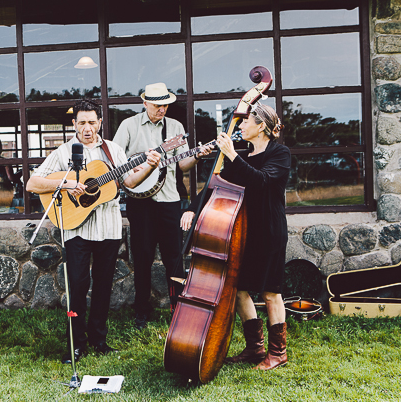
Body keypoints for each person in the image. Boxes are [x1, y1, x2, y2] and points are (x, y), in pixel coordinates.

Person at [26, 99, 162, 364]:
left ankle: (99, 340)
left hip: (108, 227)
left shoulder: (113, 150)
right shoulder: (64, 151)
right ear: (74, 124)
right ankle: (76, 345)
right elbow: (33, 182)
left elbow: (130, 180)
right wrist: (66, 185)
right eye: (82, 122)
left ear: (100, 122)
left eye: (92, 122)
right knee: (77, 285)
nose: (87, 128)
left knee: (102, 286)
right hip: (76, 227)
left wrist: (150, 165)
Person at [180, 103, 291, 371]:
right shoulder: (243, 156)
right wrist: (192, 210)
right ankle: (255, 348)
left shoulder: (280, 153)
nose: (240, 127)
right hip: (244, 232)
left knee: (270, 292)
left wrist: (231, 154)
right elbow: (214, 186)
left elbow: (261, 181)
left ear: (261, 126)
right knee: (239, 289)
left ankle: (278, 353)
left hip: (270, 231)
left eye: (245, 122)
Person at [112, 82, 210, 329]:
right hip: (140, 203)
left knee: (174, 258)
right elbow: (115, 160)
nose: (162, 109)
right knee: (142, 258)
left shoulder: (175, 128)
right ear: (145, 103)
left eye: (165, 105)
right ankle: (141, 312)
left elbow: (183, 165)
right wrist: (139, 167)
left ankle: (178, 308)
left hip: (169, 201)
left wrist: (197, 154)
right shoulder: (129, 126)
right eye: (157, 105)